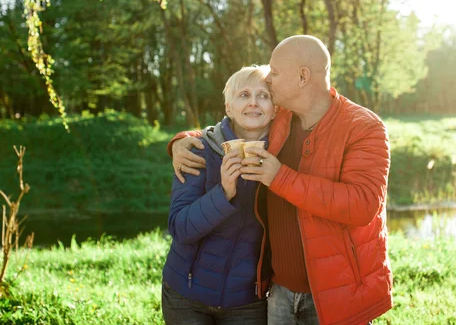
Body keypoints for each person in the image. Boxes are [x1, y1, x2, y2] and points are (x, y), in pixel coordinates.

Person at [169, 35, 392, 325]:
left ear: (302, 77)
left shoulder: (364, 127)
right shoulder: (282, 119)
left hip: (336, 295)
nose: (268, 81)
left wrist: (280, 177)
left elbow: (363, 205)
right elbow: (232, 127)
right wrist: (181, 141)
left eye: (274, 72)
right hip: (278, 294)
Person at [162, 65, 275, 325]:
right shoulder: (198, 150)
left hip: (248, 301)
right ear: (229, 108)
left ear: (275, 108)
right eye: (244, 95)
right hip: (186, 295)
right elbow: (180, 228)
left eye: (264, 95)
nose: (254, 103)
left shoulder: (283, 156)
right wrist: (223, 192)